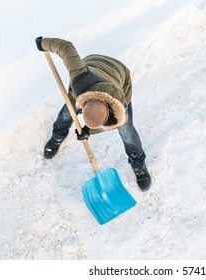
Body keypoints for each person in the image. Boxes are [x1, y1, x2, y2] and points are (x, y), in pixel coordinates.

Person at [35, 37, 151, 191]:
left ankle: (139, 164)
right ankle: (57, 136)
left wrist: (89, 131)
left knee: (127, 132)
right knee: (66, 114)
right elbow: (66, 47)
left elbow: (111, 124)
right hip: (91, 65)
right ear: (84, 106)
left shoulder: (119, 105)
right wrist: (43, 43)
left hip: (119, 74)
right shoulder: (79, 79)